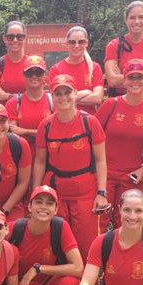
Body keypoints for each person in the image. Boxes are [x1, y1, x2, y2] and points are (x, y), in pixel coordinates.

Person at [32, 73, 110, 253]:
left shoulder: (90, 122)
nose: (63, 97)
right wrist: (36, 191)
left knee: (87, 243)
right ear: (52, 96)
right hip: (56, 192)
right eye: (58, 93)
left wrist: (102, 192)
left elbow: (100, 160)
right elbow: (40, 162)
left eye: (67, 92)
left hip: (85, 192)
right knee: (57, 242)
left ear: (76, 93)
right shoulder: (45, 125)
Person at [95, 58, 143, 221]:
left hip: (132, 177)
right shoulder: (110, 105)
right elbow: (93, 137)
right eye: (131, 77)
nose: (135, 81)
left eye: (140, 77)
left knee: (127, 221)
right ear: (124, 81)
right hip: (105, 175)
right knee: (100, 221)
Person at [48, 26, 104, 115]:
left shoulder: (95, 67)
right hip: (64, 119)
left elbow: (97, 99)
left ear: (86, 43)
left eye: (81, 42)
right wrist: (86, 92)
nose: (77, 46)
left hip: (88, 120)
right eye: (72, 42)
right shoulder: (56, 69)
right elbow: (56, 100)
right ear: (67, 43)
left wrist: (67, 99)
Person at [103, 1, 143, 95]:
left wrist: (123, 76)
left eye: (141, 17)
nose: (137, 22)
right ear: (126, 20)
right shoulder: (115, 45)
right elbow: (112, 80)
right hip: (120, 99)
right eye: (132, 17)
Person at [7, 55, 52, 148]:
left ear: (45, 75)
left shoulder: (53, 101)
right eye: (29, 73)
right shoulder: (13, 103)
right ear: (23, 75)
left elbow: (55, 132)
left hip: (48, 153)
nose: (34, 76)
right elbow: (14, 134)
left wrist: (25, 131)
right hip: (22, 152)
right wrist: (40, 133)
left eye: (38, 73)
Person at [0, 20, 29, 100]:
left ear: (25, 38)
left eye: (19, 37)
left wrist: (8, 96)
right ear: (4, 39)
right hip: (3, 108)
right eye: (10, 37)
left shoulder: (32, 65)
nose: (15, 40)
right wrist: (23, 97)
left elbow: (36, 95)